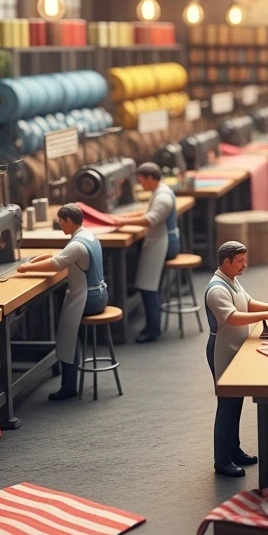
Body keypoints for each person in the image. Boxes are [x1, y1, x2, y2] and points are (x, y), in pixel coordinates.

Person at [205, 240, 268, 477]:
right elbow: (232, 317)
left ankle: (234, 450)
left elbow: (248, 303)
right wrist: (267, 315)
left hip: (235, 346)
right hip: (222, 348)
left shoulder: (231, 281)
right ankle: (222, 460)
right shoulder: (217, 290)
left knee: (235, 404)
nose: (245, 265)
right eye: (240, 261)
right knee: (227, 405)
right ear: (226, 262)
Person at [17, 204, 108, 401]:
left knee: (67, 335)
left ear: (68, 221)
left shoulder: (76, 245)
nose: (60, 226)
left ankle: (69, 386)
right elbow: (58, 256)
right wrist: (33, 262)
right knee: (69, 336)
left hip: (87, 298)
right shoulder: (88, 236)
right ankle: (68, 381)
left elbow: (55, 264)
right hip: (100, 295)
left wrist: (25, 269)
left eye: (61, 222)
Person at [112, 162, 180, 343]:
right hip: (159, 241)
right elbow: (148, 212)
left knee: (149, 288)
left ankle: (153, 329)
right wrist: (126, 217)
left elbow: (151, 219)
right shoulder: (160, 192)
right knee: (147, 286)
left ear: (151, 178)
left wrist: (122, 223)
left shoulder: (163, 198)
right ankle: (152, 325)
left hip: (163, 244)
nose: (141, 185)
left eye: (142, 181)